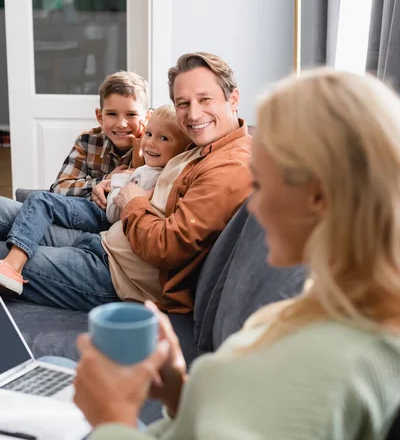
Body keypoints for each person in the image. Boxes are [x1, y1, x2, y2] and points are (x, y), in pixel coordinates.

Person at [72, 68, 400, 440]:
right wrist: (181, 391)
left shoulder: (335, 353)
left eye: (262, 185)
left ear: (318, 196)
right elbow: (257, 438)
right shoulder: (326, 307)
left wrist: (112, 419)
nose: (255, 207)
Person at [0, 52, 252, 312]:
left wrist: (133, 203)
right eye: (183, 103)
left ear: (233, 99)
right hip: (105, 241)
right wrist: (111, 183)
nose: (193, 114)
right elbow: (150, 167)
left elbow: (168, 247)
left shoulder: (229, 166)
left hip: (116, 276)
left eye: (205, 99)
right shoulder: (200, 142)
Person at [0, 105, 190, 296]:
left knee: (40, 201)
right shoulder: (148, 163)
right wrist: (110, 182)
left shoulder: (161, 176)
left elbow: (117, 210)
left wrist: (117, 186)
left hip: (107, 238)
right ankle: (12, 263)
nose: (150, 143)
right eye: (148, 134)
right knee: (34, 203)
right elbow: (62, 185)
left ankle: (13, 265)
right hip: (101, 238)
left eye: (163, 138)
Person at [49, 70, 150, 199]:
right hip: (92, 212)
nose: (121, 124)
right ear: (100, 116)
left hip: (130, 214)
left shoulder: (155, 144)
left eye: (131, 114)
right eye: (112, 114)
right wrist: (106, 180)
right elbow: (58, 188)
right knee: (37, 199)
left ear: (147, 117)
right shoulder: (87, 141)